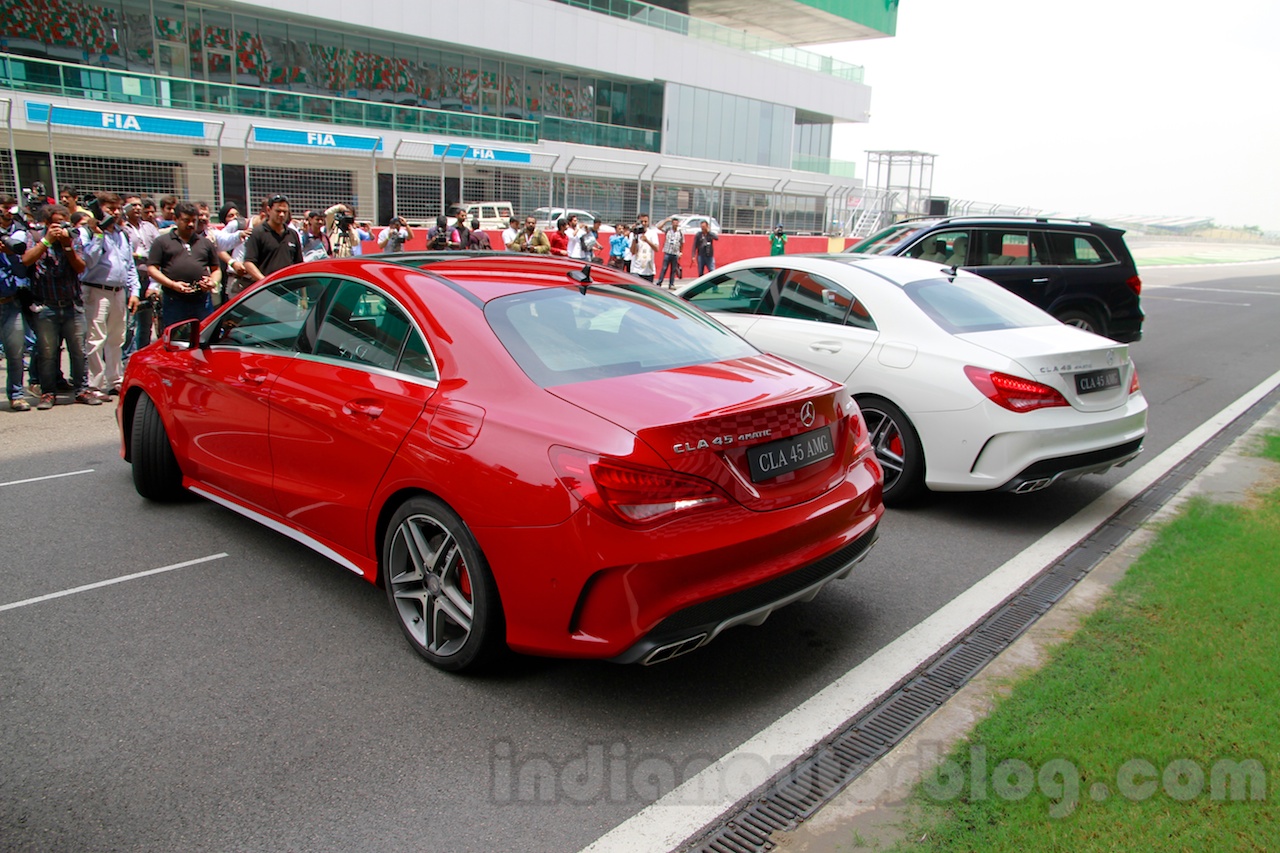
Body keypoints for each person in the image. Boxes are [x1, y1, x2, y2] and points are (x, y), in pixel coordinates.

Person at [22, 204, 97, 409]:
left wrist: (67, 246)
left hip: (72, 305)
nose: (61, 227)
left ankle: (81, 389)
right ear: (47, 223)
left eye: (64, 223)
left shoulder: (73, 238)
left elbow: (81, 267)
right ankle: (48, 392)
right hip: (46, 306)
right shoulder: (36, 237)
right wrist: (47, 241)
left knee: (79, 351)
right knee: (47, 352)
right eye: (56, 223)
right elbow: (26, 261)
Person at [79, 191, 138, 398]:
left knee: (117, 337)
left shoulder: (122, 234)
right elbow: (88, 261)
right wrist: (98, 234)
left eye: (117, 209)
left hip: (119, 292)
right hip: (97, 290)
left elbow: (129, 266)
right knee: (96, 338)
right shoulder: (88, 232)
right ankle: (95, 384)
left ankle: (115, 380)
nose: (114, 213)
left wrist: (135, 291)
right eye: (109, 209)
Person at [147, 201, 222, 329]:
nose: (191, 224)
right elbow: (152, 269)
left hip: (202, 300)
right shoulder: (162, 242)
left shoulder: (205, 243)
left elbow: (216, 269)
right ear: (175, 219)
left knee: (204, 335)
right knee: (176, 339)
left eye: (194, 220)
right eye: (186, 220)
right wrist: (172, 284)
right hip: (174, 301)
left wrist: (212, 283)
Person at [0, 199, 31, 410]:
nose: (7, 214)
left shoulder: (17, 235)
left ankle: (16, 394)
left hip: (10, 302)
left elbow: (23, 269)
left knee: (15, 353)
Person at [121, 199, 161, 356]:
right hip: (130, 281)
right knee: (129, 324)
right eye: (133, 205)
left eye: (139, 205)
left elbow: (159, 248)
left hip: (149, 280)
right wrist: (139, 254)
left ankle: (143, 354)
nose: (137, 208)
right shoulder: (123, 229)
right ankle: (126, 359)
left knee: (146, 323)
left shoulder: (149, 227)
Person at [243, 194, 303, 282]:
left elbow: (299, 265)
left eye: (285, 212)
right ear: (268, 210)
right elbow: (248, 263)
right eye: (278, 211)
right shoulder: (258, 233)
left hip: (289, 289)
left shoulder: (292, 234)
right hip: (266, 290)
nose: (282, 214)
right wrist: (265, 282)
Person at [630, 213, 659, 282]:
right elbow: (633, 251)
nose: (643, 223)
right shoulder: (633, 234)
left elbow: (656, 249)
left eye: (645, 221)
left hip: (648, 269)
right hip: (636, 269)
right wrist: (635, 236)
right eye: (641, 221)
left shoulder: (652, 233)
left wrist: (647, 241)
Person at [656, 215, 683, 289]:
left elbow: (682, 242)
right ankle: (659, 282)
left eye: (676, 222)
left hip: (675, 253)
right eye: (674, 222)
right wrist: (665, 221)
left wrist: (680, 252)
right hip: (667, 252)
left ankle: (671, 284)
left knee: (673, 270)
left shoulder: (680, 232)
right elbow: (659, 227)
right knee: (664, 268)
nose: (675, 224)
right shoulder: (668, 230)